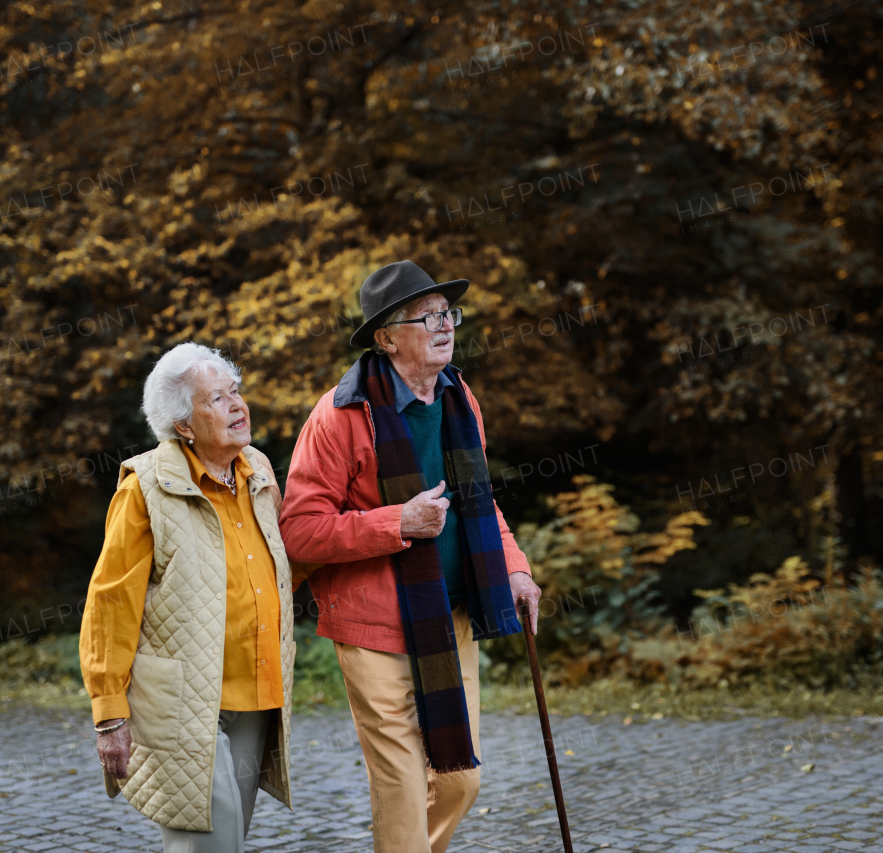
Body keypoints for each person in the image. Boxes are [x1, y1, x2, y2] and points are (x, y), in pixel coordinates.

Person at [279, 259, 542, 853]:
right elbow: (299, 531)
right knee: (400, 790)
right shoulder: (339, 416)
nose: (444, 325)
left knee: (460, 781)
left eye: (448, 312)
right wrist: (398, 522)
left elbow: (479, 502)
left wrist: (516, 568)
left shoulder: (457, 397)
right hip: (372, 627)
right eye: (426, 317)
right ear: (386, 337)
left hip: (450, 617)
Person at [79, 342, 295, 853]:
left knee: (225, 842)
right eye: (217, 399)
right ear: (183, 425)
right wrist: (110, 712)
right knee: (210, 847)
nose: (238, 405)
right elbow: (111, 603)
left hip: (255, 696)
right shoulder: (146, 488)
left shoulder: (258, 469)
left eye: (236, 391)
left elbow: (286, 568)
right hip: (179, 703)